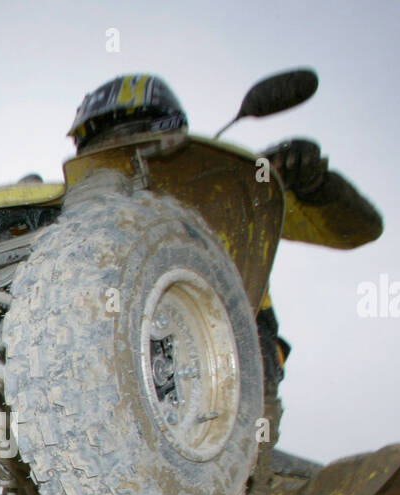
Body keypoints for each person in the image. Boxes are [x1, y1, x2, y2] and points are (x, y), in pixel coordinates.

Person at [67, 75, 383, 429]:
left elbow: (358, 229)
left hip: (228, 384)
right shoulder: (67, 217)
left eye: (135, 140)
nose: (129, 160)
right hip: (97, 392)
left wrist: (314, 184)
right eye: (112, 146)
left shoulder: (229, 198)